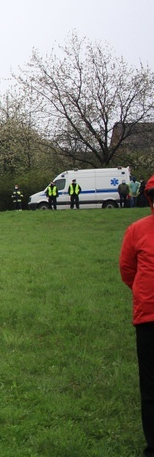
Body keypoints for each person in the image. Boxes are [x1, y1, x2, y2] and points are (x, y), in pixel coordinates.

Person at [119, 174, 154, 457]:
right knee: (151, 387)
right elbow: (127, 270)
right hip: (149, 318)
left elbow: (129, 272)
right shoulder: (137, 230)